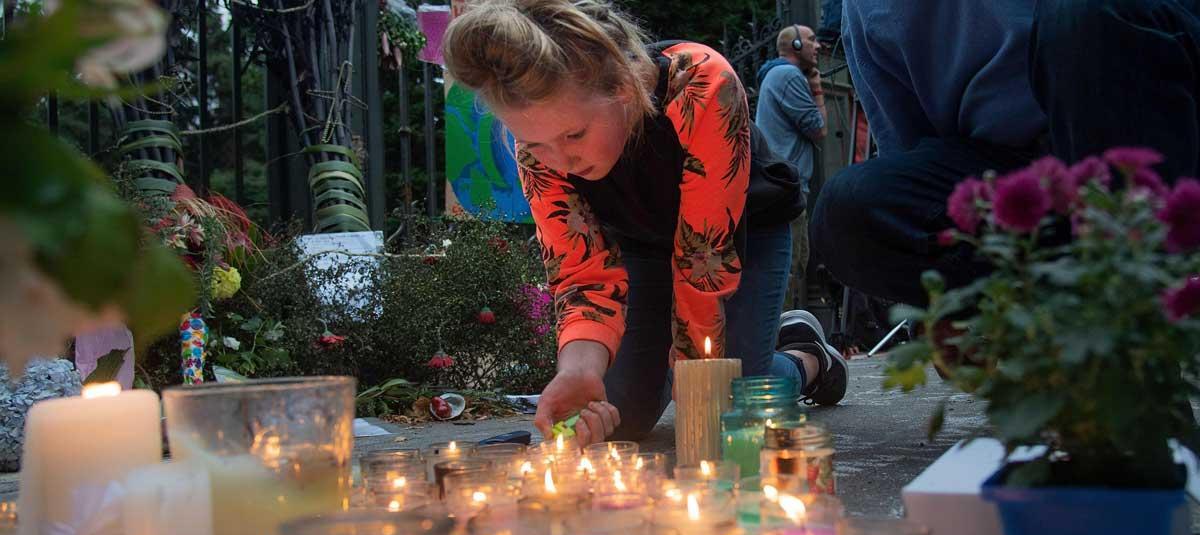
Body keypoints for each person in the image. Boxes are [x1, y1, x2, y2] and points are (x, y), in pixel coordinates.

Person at [442, 0, 850, 446]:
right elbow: (581, 274)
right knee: (618, 416)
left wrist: (698, 389)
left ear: (624, 84)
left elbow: (703, 260)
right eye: (535, 144)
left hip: (742, 235)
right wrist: (578, 369)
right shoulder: (539, 148)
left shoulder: (700, 82)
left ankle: (807, 359)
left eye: (574, 135)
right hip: (641, 242)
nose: (561, 161)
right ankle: (760, 350)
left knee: (730, 410)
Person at [810, 0, 1200, 309]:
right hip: (1023, 183)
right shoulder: (866, 9)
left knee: (1081, 14)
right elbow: (912, 153)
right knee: (849, 209)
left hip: (1149, 132)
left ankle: (1143, 301)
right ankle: (1061, 314)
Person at [755, 24, 826, 309]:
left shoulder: (778, 75)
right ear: (795, 46)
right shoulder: (787, 75)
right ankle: (782, 343)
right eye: (811, 40)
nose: (818, 45)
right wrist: (818, 89)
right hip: (787, 188)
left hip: (787, 187)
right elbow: (818, 128)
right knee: (788, 268)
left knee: (796, 265)